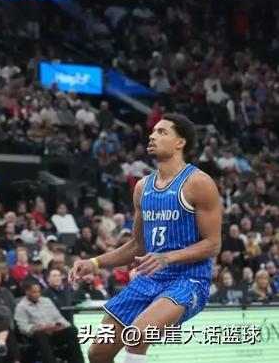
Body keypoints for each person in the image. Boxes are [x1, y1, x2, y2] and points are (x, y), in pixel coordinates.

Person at [69, 114, 221, 363]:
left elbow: (213, 244)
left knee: (138, 335)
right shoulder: (142, 187)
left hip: (188, 279)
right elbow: (137, 246)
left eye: (162, 132)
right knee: (97, 353)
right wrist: (95, 263)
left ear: (180, 142)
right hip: (149, 279)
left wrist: (167, 257)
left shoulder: (199, 183)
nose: (152, 136)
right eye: (153, 131)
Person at [14, 281, 83, 363]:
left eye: (39, 292)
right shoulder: (21, 307)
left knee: (72, 330)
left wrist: (60, 325)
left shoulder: (46, 301)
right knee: (40, 335)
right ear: (27, 292)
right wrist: (42, 328)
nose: (38, 294)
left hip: (53, 331)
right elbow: (24, 328)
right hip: (37, 335)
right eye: (34, 292)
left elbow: (58, 318)